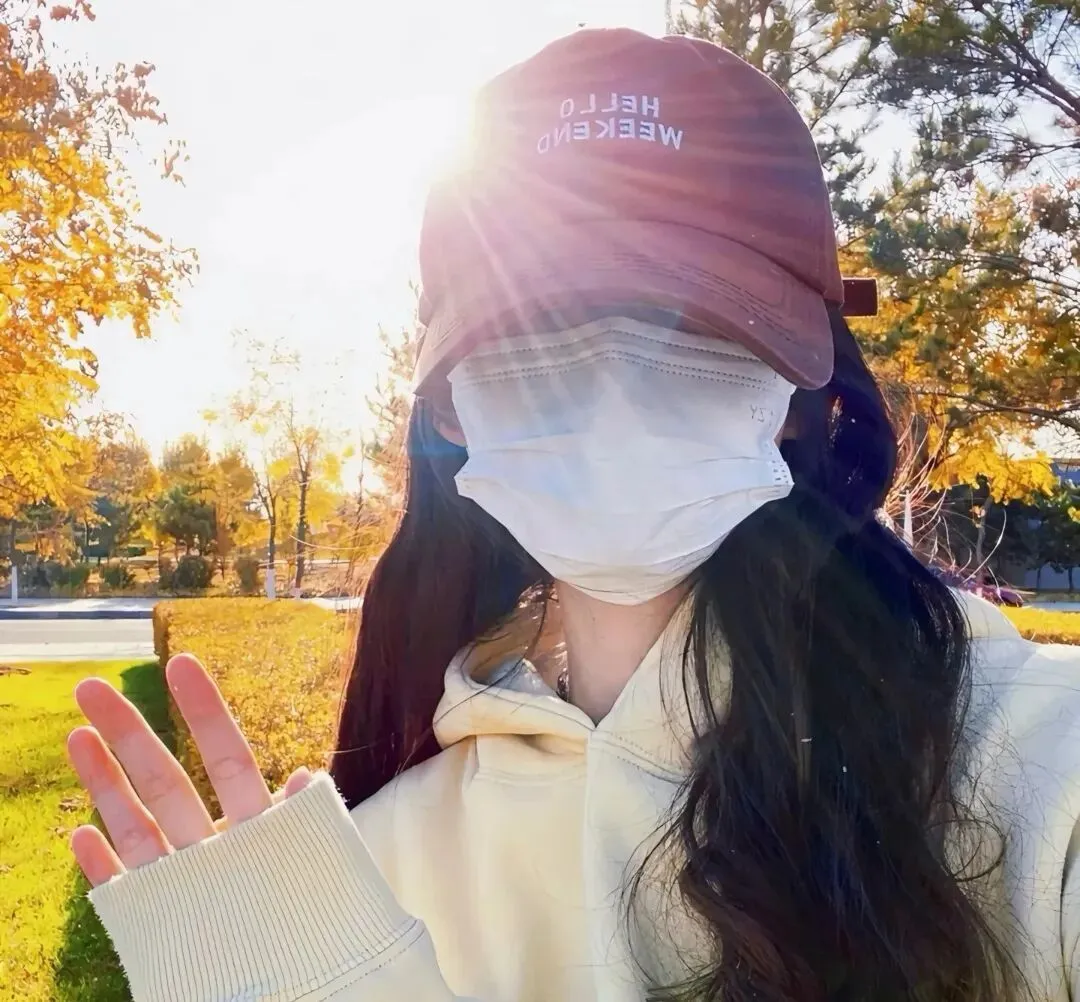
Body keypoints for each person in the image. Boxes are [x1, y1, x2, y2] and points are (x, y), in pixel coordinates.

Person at [66, 27, 1080, 1002]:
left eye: (690, 326)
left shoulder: (1027, 765)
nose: (612, 402)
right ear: (451, 409)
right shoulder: (369, 872)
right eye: (539, 334)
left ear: (798, 388)